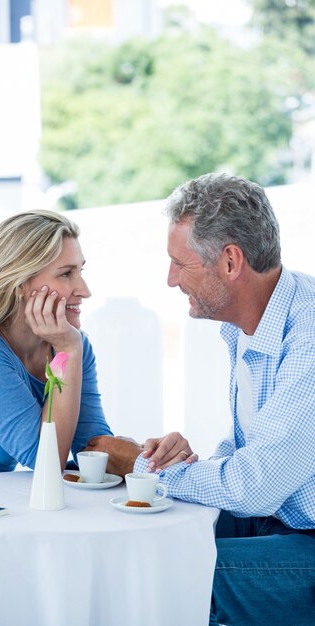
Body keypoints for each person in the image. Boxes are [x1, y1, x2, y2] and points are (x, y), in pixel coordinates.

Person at [85, 173, 315, 626]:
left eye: (180, 264)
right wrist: (188, 461)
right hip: (276, 517)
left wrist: (142, 464)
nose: (170, 280)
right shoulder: (246, 324)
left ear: (230, 261)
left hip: (303, 534)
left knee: (170, 574)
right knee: (137, 534)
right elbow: (253, 450)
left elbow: (257, 485)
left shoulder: (308, 336)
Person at [0, 209, 189, 515]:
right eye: (66, 274)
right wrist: (67, 351)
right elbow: (46, 462)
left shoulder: (73, 343)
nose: (85, 290)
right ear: (20, 283)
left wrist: (148, 457)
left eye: (81, 271)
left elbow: (91, 449)